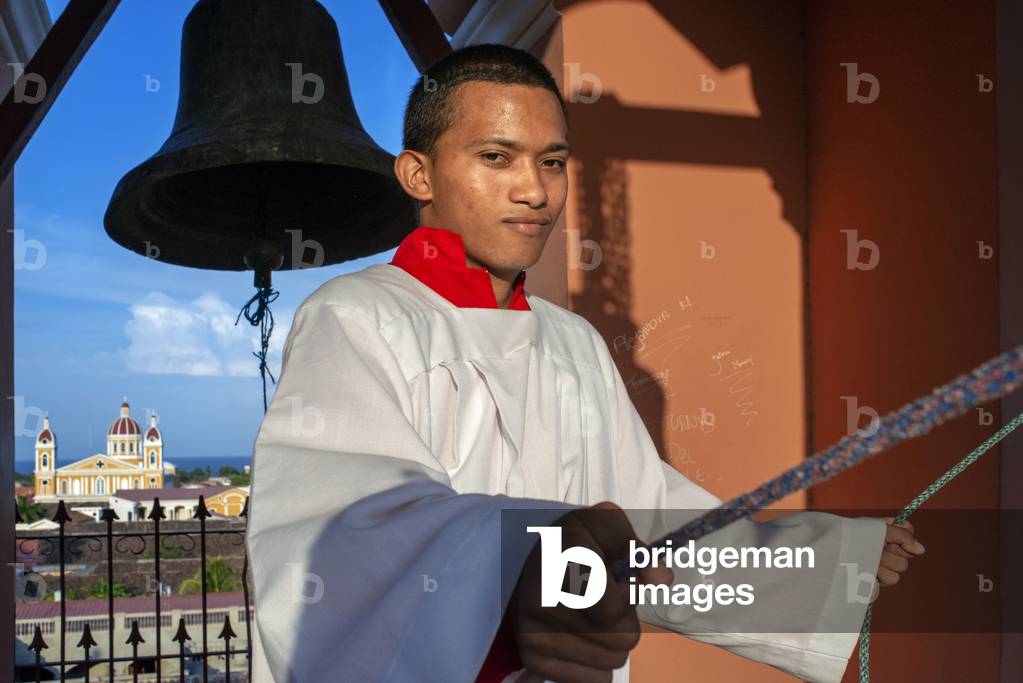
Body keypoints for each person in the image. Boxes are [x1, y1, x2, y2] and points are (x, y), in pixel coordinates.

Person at [244, 43, 923, 683]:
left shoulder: (573, 341)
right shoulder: (359, 315)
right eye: (495, 156)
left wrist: (820, 563)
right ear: (418, 173)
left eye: (553, 161)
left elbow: (648, 519)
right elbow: (348, 522)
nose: (534, 191)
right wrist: (523, 563)